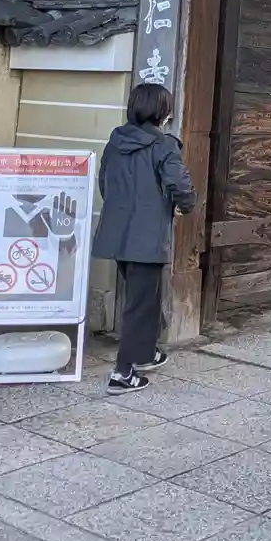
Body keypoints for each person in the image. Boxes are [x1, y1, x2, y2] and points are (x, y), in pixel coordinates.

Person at [93, 82, 196, 394]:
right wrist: (185, 205)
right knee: (140, 304)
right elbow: (179, 183)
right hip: (147, 235)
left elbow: (104, 183)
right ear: (161, 111)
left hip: (117, 233)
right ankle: (123, 373)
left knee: (145, 299)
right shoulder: (163, 145)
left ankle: (146, 353)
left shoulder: (115, 141)